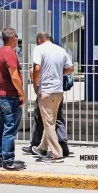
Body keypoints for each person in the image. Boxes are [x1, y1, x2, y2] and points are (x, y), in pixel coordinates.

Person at [31, 32, 74, 163]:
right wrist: (59, 74)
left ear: (39, 40)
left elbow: (37, 68)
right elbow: (70, 68)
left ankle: (56, 153)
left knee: (48, 123)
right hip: (58, 91)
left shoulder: (39, 49)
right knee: (51, 121)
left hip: (46, 90)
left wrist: (35, 83)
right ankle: (42, 147)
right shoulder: (61, 50)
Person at [0, 28, 26, 171]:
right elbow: (14, 76)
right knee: (10, 128)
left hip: (0, 94)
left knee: (1, 127)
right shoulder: (10, 53)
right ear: (12, 37)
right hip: (10, 96)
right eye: (17, 37)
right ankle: (8, 160)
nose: (17, 40)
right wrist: (22, 93)